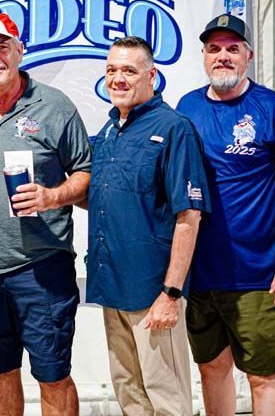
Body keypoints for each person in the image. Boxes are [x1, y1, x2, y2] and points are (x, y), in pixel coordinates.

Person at [0, 12, 91, 415]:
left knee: (53, 373)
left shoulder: (54, 106)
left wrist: (53, 196)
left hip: (42, 268)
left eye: (2, 46)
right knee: (0, 372)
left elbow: (86, 174)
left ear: (20, 50)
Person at [177, 14, 275, 415]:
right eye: (214, 49)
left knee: (262, 377)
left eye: (232, 49)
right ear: (204, 56)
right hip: (201, 275)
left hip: (259, 275)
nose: (223, 56)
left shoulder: (274, 109)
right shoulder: (187, 107)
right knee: (211, 367)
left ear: (248, 56)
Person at [86, 36, 210, 415]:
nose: (118, 79)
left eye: (129, 71)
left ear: (151, 76)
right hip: (112, 289)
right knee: (129, 392)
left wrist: (170, 294)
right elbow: (103, 197)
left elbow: (189, 216)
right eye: (111, 70)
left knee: (166, 398)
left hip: (153, 294)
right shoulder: (108, 132)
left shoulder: (174, 129)